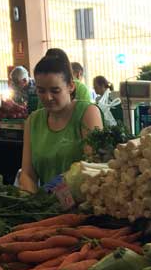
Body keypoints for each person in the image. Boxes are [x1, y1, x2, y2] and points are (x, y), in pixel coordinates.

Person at [19, 49, 102, 192]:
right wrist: (34, 202)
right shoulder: (33, 121)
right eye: (41, 91)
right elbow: (27, 173)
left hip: (81, 205)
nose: (48, 97)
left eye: (55, 91)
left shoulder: (88, 113)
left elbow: (94, 167)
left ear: (70, 86)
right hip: (48, 207)